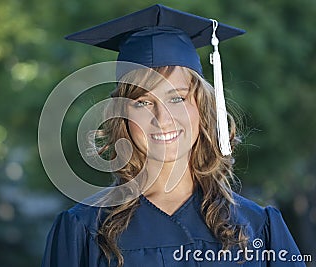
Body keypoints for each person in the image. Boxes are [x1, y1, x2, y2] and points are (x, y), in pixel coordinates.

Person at [41, 4, 305, 267]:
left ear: (201, 107)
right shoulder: (84, 231)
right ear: (123, 115)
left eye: (177, 98)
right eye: (143, 102)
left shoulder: (258, 227)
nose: (163, 118)